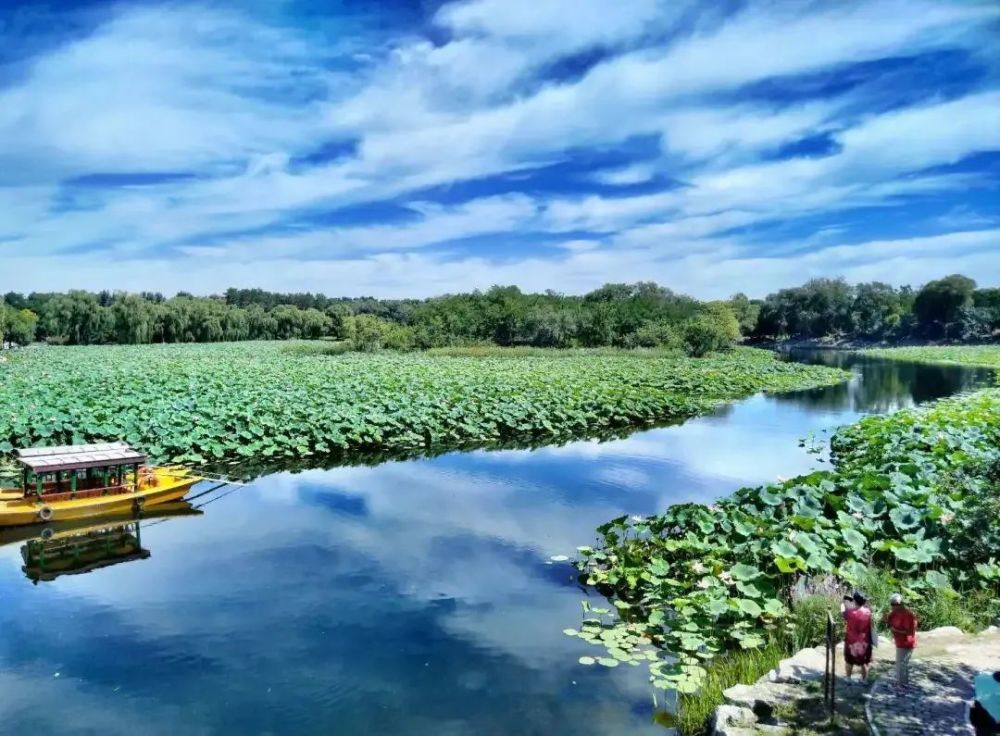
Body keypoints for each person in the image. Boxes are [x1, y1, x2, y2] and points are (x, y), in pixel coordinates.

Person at [885, 592, 917, 688]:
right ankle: (901, 683)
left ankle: (902, 685)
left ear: (901, 604)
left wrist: (895, 630)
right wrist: (887, 619)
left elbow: (909, 632)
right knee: (900, 664)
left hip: (906, 643)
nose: (894, 607)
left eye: (896, 604)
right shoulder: (894, 613)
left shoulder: (908, 615)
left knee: (902, 665)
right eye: (892, 604)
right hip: (899, 643)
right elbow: (889, 623)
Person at [843, 591, 873, 681]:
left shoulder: (849, 612)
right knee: (864, 662)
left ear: (854, 601)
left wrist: (844, 603)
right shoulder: (868, 612)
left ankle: (848, 678)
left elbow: (843, 613)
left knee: (849, 661)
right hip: (864, 641)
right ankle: (864, 680)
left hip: (851, 641)